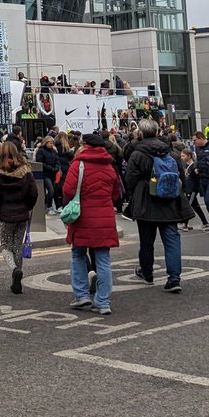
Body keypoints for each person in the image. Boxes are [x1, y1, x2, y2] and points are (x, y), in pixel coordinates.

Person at [124, 120, 186, 293]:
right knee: (172, 239)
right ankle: (174, 278)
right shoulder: (170, 153)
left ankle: (147, 273)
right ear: (158, 132)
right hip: (169, 200)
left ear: (140, 133)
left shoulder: (138, 154)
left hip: (146, 201)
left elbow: (129, 179)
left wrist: (134, 195)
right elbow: (181, 178)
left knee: (146, 241)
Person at [64, 134, 122, 315]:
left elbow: (68, 190)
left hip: (82, 217)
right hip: (104, 218)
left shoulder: (78, 165)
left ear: (85, 146)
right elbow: (116, 194)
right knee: (103, 259)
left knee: (78, 254)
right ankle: (103, 302)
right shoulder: (109, 166)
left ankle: (82, 296)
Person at [0, 139, 37, 295]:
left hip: (5, 216)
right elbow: (33, 192)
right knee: (17, 246)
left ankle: (14, 269)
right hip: (22, 214)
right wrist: (27, 207)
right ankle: (17, 279)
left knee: (6, 246)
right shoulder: (25, 171)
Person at [177, 142, 209, 231]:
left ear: (189, 156)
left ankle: (185, 223)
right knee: (195, 206)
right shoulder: (185, 165)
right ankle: (205, 222)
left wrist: (197, 172)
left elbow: (196, 174)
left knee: (188, 206)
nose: (182, 158)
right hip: (187, 188)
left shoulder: (193, 165)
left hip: (192, 189)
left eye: (183, 156)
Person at [36, 136, 60, 215]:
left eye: (52, 143)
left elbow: (57, 161)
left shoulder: (54, 151)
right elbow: (40, 162)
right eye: (50, 143)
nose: (51, 144)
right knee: (51, 190)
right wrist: (50, 168)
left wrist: (57, 167)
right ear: (45, 142)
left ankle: (47, 204)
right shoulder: (41, 151)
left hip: (53, 173)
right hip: (45, 174)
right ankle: (49, 206)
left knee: (52, 190)